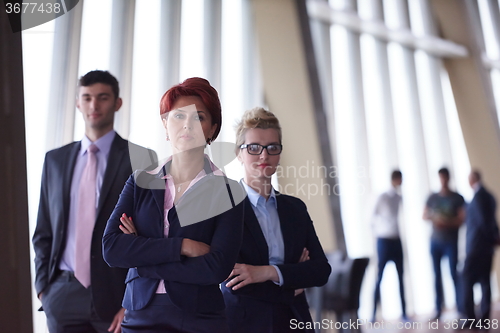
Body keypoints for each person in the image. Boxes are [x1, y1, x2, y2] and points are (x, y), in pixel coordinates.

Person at [103, 77, 246, 333]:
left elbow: (217, 268)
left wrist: (142, 259)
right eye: (179, 116)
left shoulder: (229, 191)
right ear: (165, 123)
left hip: (200, 319)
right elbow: (112, 248)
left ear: (213, 129)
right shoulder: (139, 182)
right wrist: (183, 246)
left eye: (199, 117)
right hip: (139, 316)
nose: (187, 126)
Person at [32, 70, 157, 333]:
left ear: (117, 103)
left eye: (102, 98)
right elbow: (44, 230)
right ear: (78, 103)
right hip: (61, 294)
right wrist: (44, 289)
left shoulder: (141, 159)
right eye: (87, 98)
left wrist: (132, 299)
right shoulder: (55, 161)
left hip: (117, 294)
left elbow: (151, 236)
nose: (94, 105)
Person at [222, 107, 331, 333]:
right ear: (238, 154)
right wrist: (292, 283)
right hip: (244, 324)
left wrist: (265, 272)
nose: (264, 156)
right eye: (254, 148)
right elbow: (233, 282)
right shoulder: (225, 209)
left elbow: (320, 270)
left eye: (272, 147)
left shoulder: (295, 208)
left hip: (294, 321)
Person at [423, 167, 465, 320]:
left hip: (451, 242)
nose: (443, 180)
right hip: (435, 241)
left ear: (448, 178)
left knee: (454, 275)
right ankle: (438, 309)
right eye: (441, 177)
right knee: (436, 276)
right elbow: (424, 215)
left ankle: (461, 309)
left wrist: (447, 222)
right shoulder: (432, 197)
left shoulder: (457, 198)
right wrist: (435, 219)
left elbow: (462, 219)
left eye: (445, 177)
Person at [461, 170, 499, 324]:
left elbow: (484, 221)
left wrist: (492, 238)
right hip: (487, 247)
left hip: (477, 247)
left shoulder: (478, 197)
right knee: (485, 281)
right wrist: (495, 238)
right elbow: (492, 221)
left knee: (466, 279)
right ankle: (484, 320)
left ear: (472, 180)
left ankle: (471, 318)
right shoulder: (489, 196)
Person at [371, 170, 407, 322]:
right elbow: (372, 216)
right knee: (380, 277)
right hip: (384, 240)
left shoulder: (399, 197)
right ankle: (372, 314)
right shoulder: (383, 197)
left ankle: (404, 313)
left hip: (396, 239)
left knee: (401, 277)